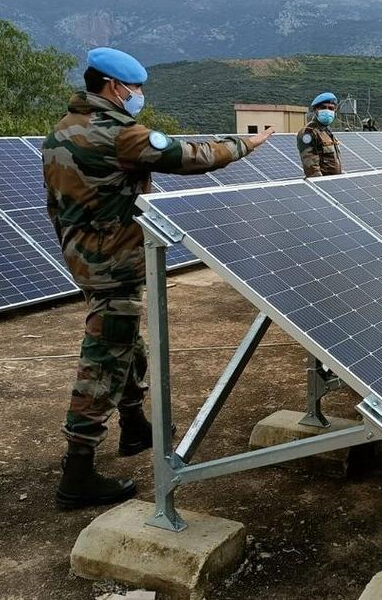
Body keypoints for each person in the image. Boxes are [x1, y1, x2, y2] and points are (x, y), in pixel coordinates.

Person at [43, 47, 274, 509]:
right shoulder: (116, 133)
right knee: (105, 355)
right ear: (113, 86)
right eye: (135, 87)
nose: (138, 94)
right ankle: (78, 471)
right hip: (112, 261)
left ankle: (134, 426)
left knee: (126, 343)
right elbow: (190, 156)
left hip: (85, 255)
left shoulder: (63, 129)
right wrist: (245, 144)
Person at [296, 92, 342, 177]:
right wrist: (321, 183)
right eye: (323, 107)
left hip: (334, 181)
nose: (328, 111)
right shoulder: (308, 132)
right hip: (324, 182)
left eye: (331, 108)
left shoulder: (327, 131)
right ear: (316, 110)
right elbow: (311, 169)